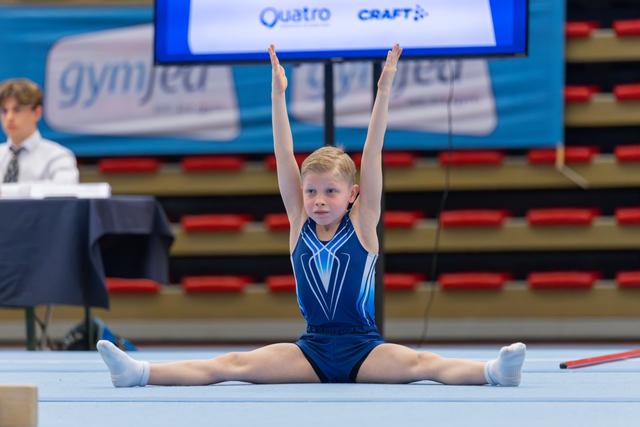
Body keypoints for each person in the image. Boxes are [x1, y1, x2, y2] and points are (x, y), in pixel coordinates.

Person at [96, 44, 526, 387]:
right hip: (311, 351)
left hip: (365, 350)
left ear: (353, 195)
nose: (319, 200)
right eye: (312, 191)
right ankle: (138, 373)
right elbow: (284, 154)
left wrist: (385, 90)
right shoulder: (298, 224)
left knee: (421, 363)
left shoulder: (363, 225)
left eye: (331, 192)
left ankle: (494, 372)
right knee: (231, 364)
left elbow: (373, 152)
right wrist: (277, 94)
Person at [0, 78, 79, 184]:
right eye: (4, 111)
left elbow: (64, 194)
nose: (9, 117)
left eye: (17, 110)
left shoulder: (58, 157)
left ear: (37, 113)